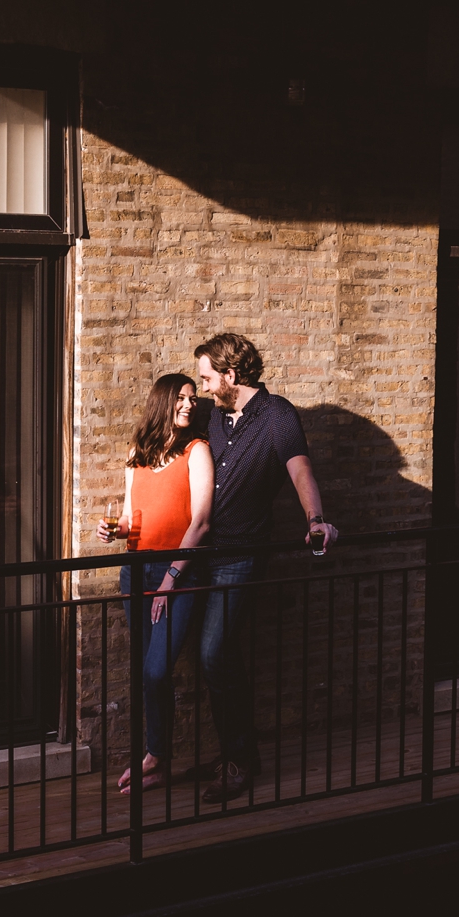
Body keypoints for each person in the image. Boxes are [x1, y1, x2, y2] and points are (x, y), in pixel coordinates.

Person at [192, 333, 338, 803]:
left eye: (208, 377)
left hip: (241, 554)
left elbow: (300, 472)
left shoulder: (277, 416)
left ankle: (238, 762)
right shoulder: (211, 414)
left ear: (231, 376)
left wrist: (316, 520)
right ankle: (240, 752)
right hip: (201, 553)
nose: (203, 386)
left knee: (215, 652)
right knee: (219, 655)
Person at [97, 373, 213, 793]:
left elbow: (200, 523)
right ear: (164, 401)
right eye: (182, 397)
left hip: (178, 573)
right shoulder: (138, 453)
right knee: (148, 673)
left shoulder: (197, 451)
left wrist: (170, 579)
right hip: (136, 570)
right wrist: (117, 531)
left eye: (193, 398)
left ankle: (155, 754)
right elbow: (132, 519)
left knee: (155, 668)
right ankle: (159, 761)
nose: (190, 404)